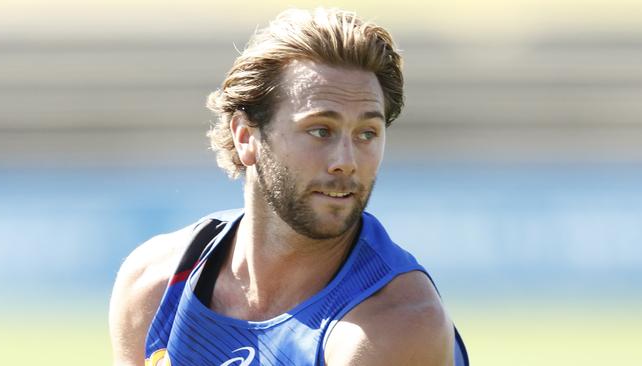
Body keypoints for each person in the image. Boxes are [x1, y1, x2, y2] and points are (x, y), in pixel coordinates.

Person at [109, 7, 469, 366]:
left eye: (367, 133)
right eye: (320, 130)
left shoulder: (393, 324)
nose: (346, 160)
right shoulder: (155, 284)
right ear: (245, 136)